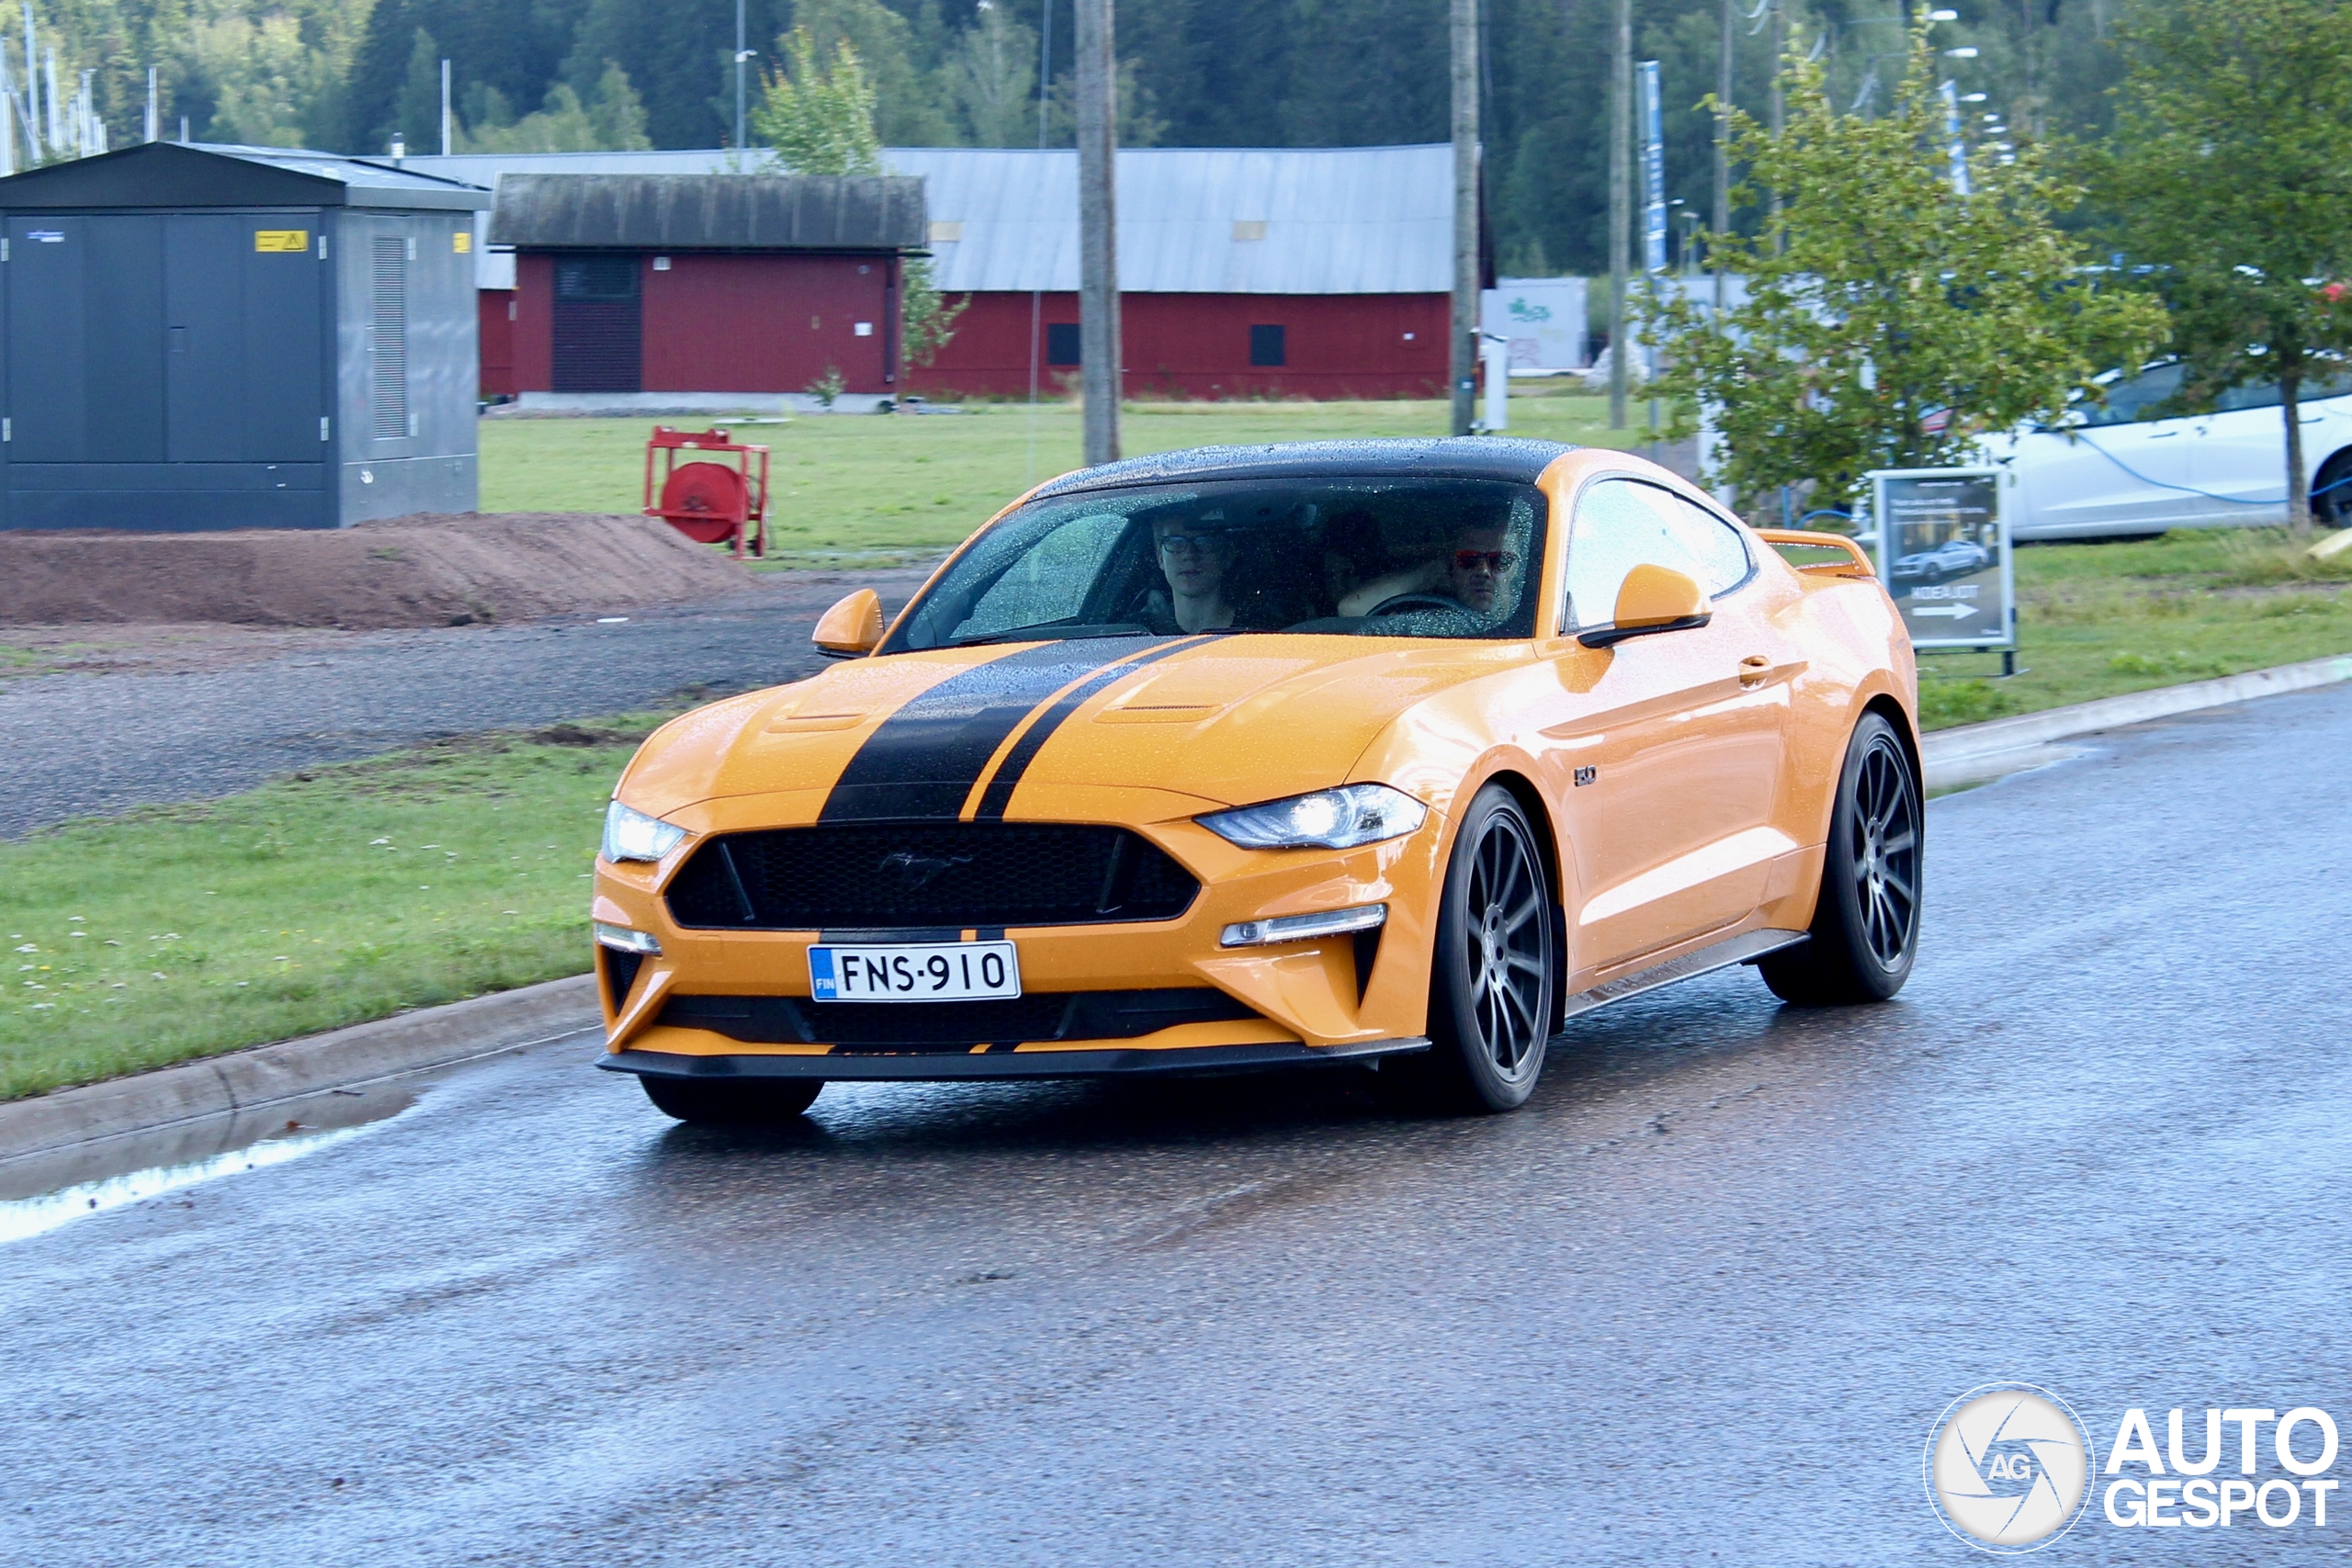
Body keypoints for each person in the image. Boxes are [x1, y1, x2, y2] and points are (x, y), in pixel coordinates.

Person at [1147, 513, 1237, 633]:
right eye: (1175, 542)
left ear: (1226, 556)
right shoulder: (1132, 632)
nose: (1189, 554)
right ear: (1160, 558)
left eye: (1204, 542)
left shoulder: (1262, 632)